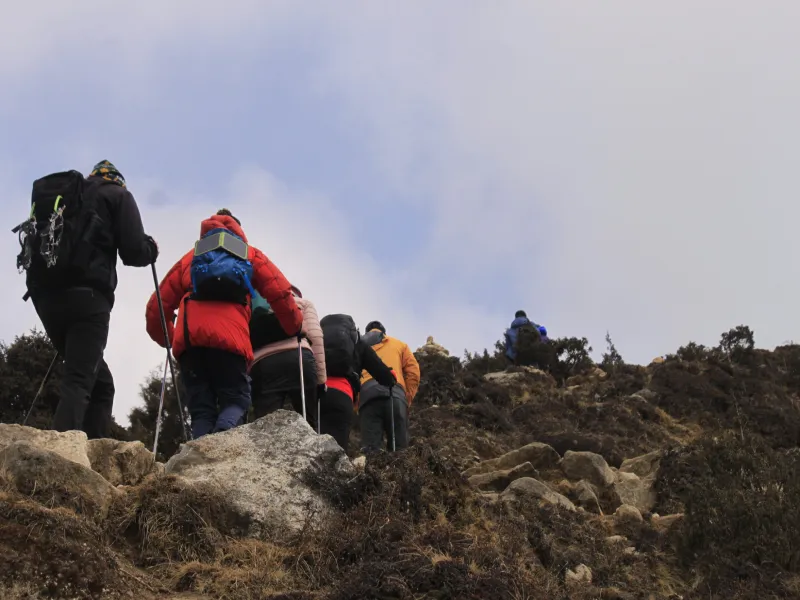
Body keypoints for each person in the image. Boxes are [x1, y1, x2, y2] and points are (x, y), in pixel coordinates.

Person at [22, 160, 158, 439]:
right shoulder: (118, 195)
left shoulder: (70, 198)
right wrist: (151, 248)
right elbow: (133, 252)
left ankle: (93, 452)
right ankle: (61, 455)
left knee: (101, 384)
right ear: (118, 180)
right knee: (79, 380)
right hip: (88, 298)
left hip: (45, 296)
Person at [145, 209, 302, 439]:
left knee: (201, 411)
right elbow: (279, 291)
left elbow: (156, 307)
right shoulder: (249, 254)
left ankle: (196, 458)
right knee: (236, 400)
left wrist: (167, 337)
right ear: (239, 230)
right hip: (230, 341)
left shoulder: (191, 257)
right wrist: (293, 326)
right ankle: (224, 442)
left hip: (190, 343)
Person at [248, 285, 325, 430]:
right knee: (307, 422)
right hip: (299, 357)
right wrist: (321, 380)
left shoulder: (255, 304)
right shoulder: (303, 303)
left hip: (263, 364)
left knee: (265, 427)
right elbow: (316, 337)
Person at [319, 314, 396, 450]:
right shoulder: (358, 343)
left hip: (317, 395)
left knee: (312, 442)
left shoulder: (318, 339)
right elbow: (381, 372)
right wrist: (391, 378)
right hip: (343, 395)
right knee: (336, 447)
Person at [358, 320, 420, 453]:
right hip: (395, 394)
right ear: (384, 332)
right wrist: (405, 397)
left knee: (371, 450)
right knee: (399, 450)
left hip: (367, 396)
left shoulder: (358, 346)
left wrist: (358, 403)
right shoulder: (399, 344)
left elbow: (351, 373)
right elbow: (413, 372)